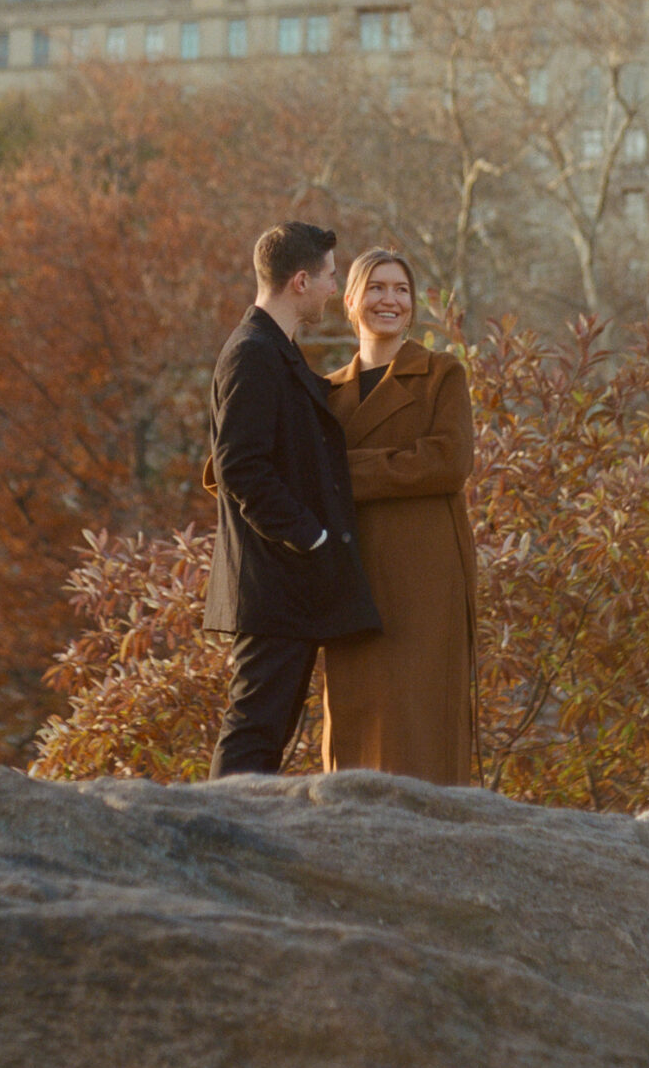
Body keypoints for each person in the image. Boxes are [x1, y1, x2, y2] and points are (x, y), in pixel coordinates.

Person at [202, 221, 381, 777]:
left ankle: (230, 848)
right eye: (330, 277)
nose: (335, 289)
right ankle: (215, 848)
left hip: (285, 586)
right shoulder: (253, 355)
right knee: (255, 732)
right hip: (273, 584)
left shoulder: (274, 352)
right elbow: (240, 467)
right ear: (300, 281)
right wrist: (312, 535)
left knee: (265, 734)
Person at [319, 250, 480, 785]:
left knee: (423, 720)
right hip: (352, 576)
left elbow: (446, 463)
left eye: (401, 290)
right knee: (357, 718)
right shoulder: (325, 393)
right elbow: (292, 467)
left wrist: (341, 473)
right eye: (376, 287)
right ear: (350, 301)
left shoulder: (441, 374)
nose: (390, 299)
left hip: (426, 575)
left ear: (412, 307)